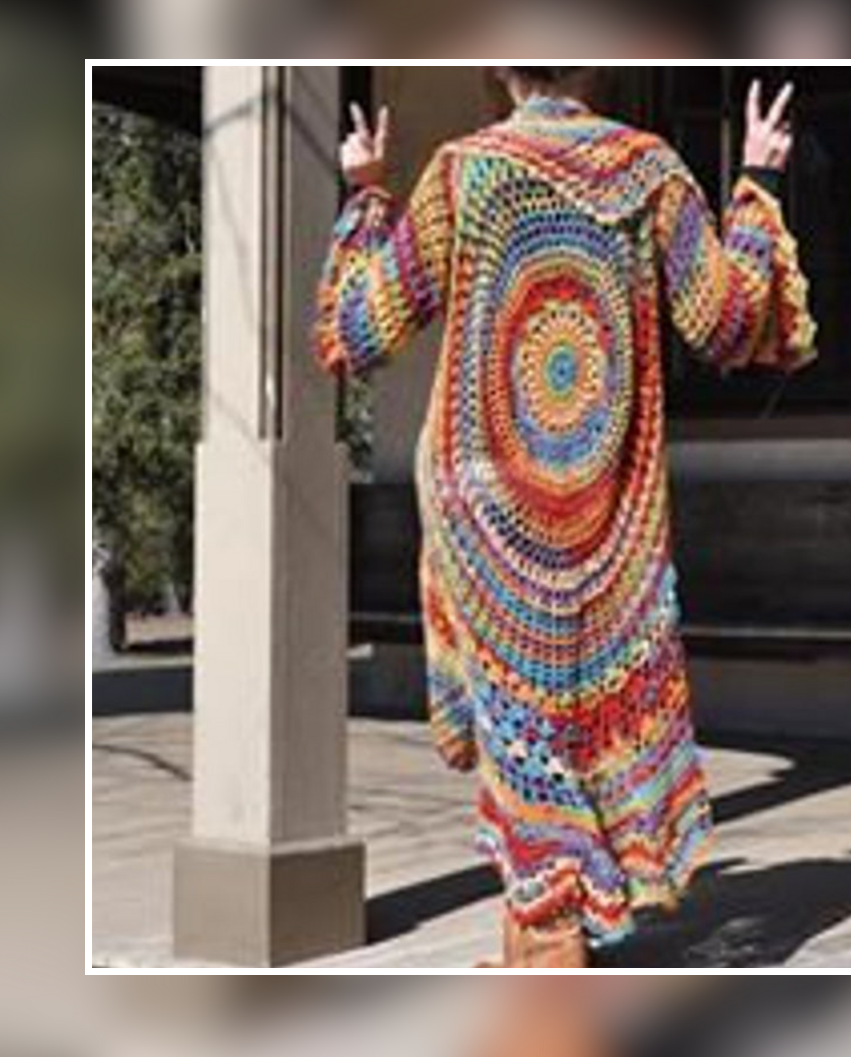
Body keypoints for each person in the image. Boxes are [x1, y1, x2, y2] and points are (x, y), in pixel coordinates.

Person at [314, 66, 817, 968]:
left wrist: (365, 195)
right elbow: (728, 320)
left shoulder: (464, 173)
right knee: (569, 721)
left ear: (497, 67)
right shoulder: (649, 169)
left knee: (525, 727)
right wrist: (757, 179)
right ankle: (542, 939)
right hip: (603, 507)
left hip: (482, 504)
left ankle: (545, 950)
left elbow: (359, 329)